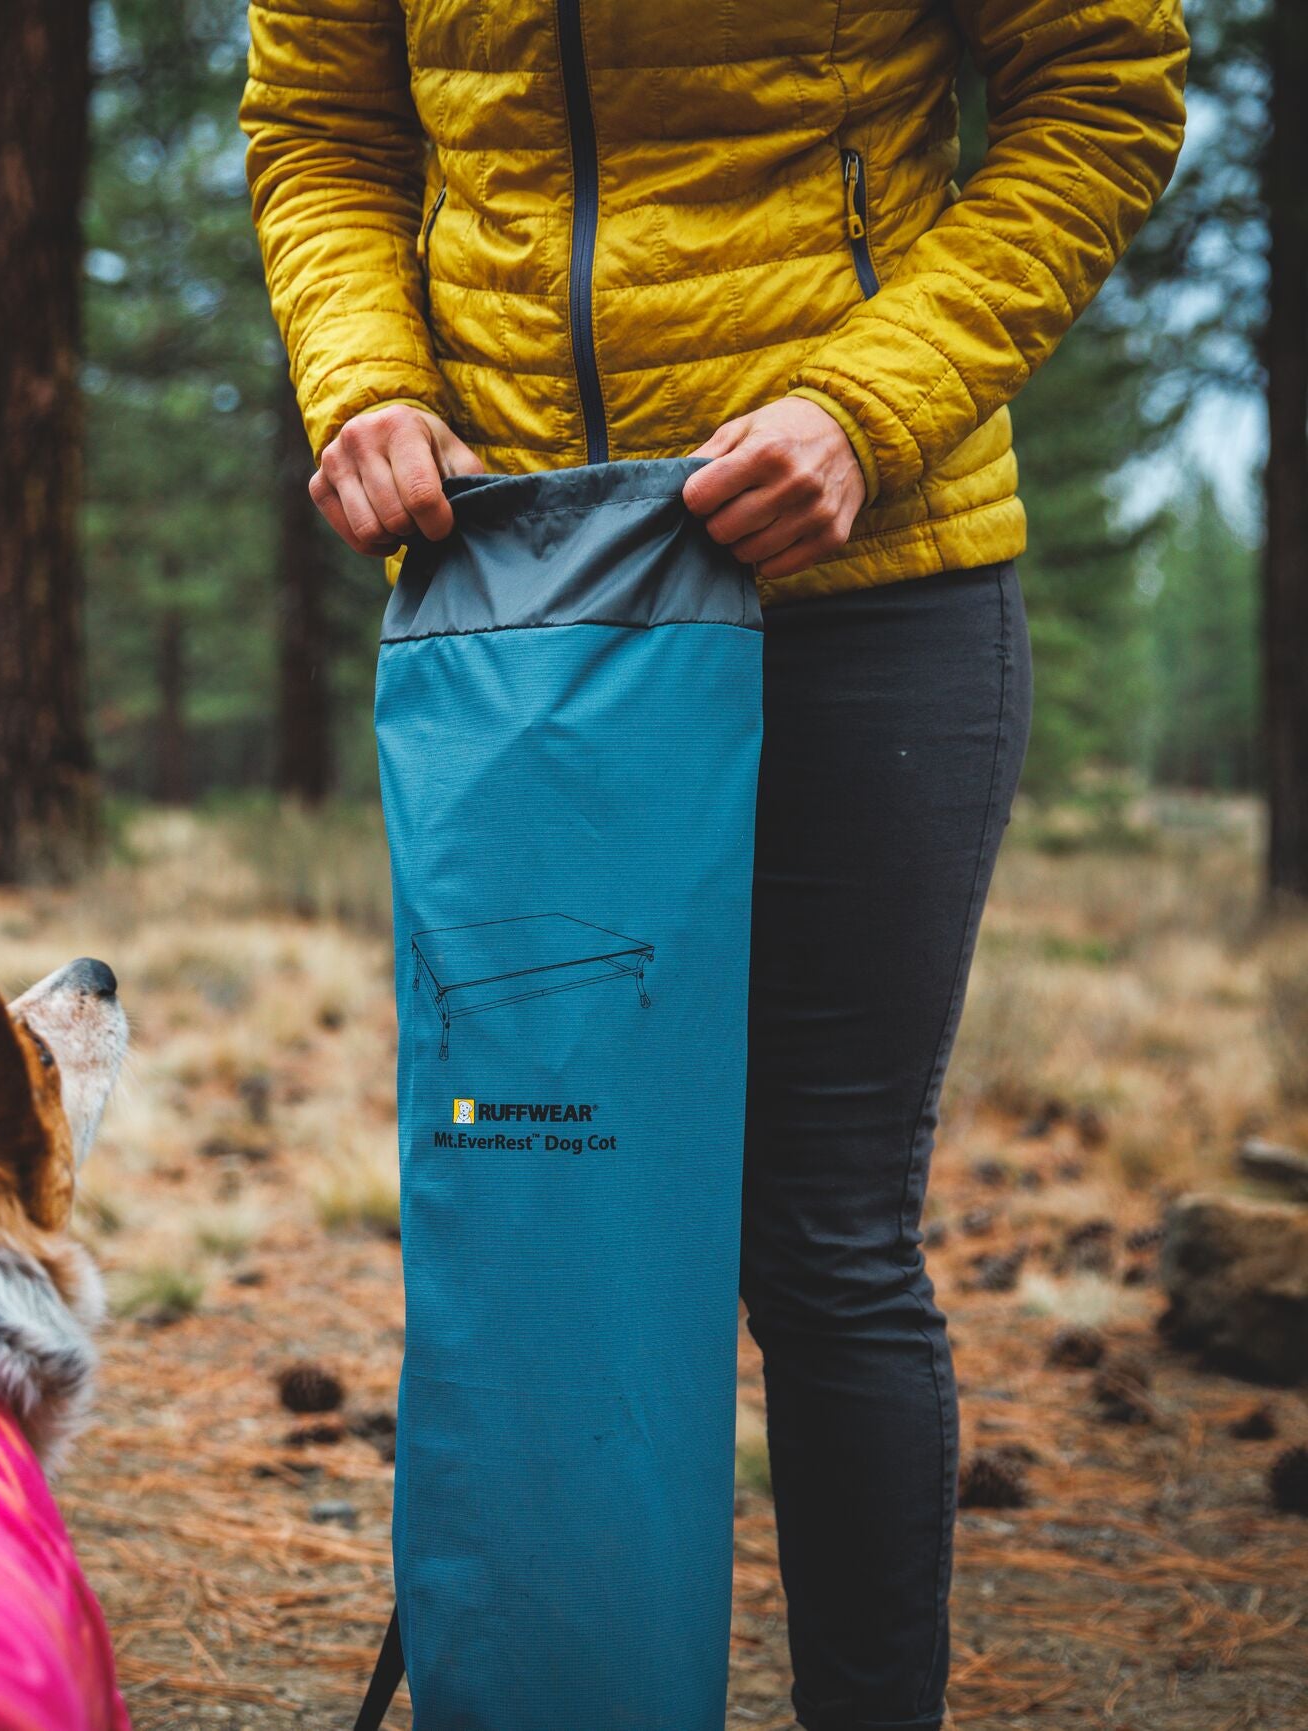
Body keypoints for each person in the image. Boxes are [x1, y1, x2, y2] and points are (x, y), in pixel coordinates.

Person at [240, 5, 1187, 1728]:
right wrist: (366, 379)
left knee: (822, 1239)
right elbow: (320, 121)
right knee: (529, 1205)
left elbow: (1105, 89)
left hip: (863, 580)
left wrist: (864, 402)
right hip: (525, 597)